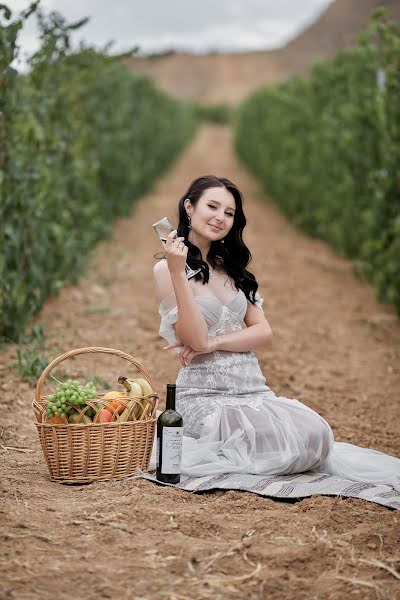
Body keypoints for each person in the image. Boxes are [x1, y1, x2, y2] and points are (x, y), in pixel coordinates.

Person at [153, 175, 400, 486]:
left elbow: (263, 332)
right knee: (277, 446)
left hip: (253, 390)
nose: (220, 217)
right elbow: (195, 338)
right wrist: (178, 272)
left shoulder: (232, 268)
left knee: (316, 434)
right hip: (207, 396)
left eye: (229, 213)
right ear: (189, 207)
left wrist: (214, 343)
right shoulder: (167, 270)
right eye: (212, 206)